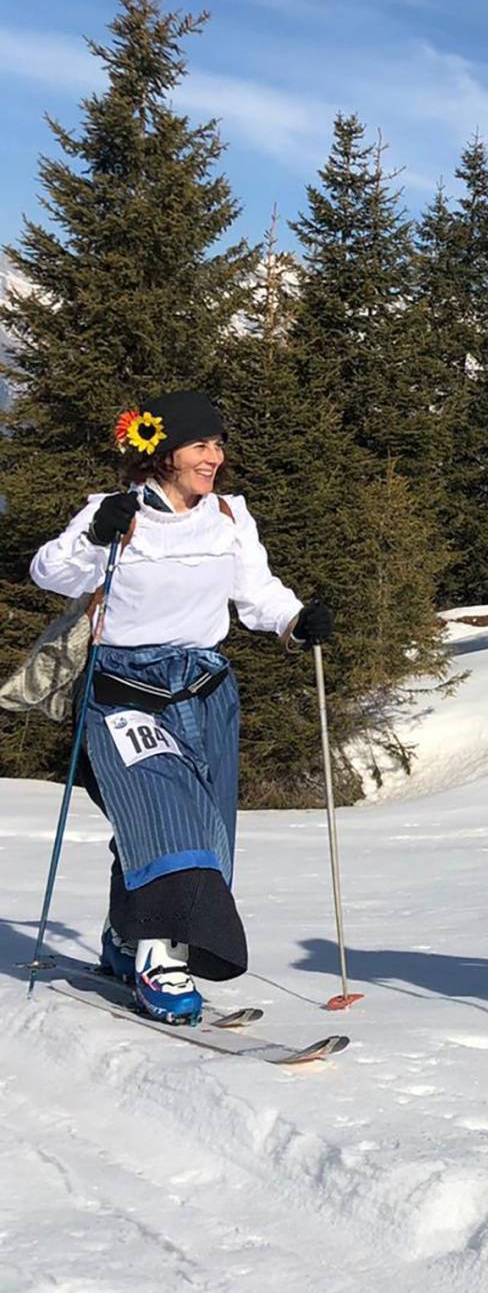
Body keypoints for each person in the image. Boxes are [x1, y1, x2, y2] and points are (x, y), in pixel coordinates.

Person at [29, 390, 332, 1024]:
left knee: (211, 832)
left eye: (218, 445)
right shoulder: (114, 513)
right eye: (201, 445)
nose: (214, 457)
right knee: (170, 820)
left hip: (204, 692)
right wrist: (93, 538)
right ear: (162, 451)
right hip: (124, 694)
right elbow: (50, 572)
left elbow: (257, 594)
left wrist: (295, 620)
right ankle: (158, 962)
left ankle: (123, 935)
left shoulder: (226, 515)